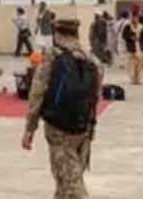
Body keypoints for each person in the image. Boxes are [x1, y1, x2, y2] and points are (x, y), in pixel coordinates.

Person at [22, 17, 103, 199]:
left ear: (57, 34)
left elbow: (37, 94)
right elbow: (96, 97)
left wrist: (30, 128)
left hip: (59, 130)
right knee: (68, 180)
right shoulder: (93, 61)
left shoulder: (52, 58)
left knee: (72, 186)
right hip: (84, 129)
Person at [122, 12, 143, 85]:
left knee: (139, 64)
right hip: (131, 47)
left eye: (136, 18)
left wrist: (139, 39)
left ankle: (138, 79)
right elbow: (124, 36)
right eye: (133, 18)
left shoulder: (141, 26)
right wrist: (131, 38)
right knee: (131, 64)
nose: (135, 19)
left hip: (139, 47)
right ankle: (133, 78)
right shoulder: (128, 26)